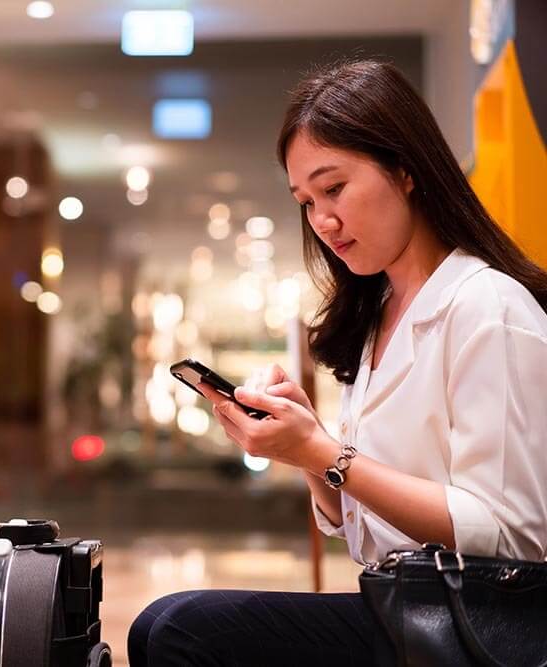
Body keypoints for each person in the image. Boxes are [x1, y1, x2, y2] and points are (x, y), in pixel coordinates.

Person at [129, 59, 547, 666]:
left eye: (334, 188)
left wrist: (324, 454)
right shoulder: (377, 313)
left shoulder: (489, 307)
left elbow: (510, 537)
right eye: (305, 200)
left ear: (405, 168)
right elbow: (355, 528)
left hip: (474, 622)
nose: (322, 221)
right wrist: (303, 449)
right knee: (157, 623)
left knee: (182, 630)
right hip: (399, 603)